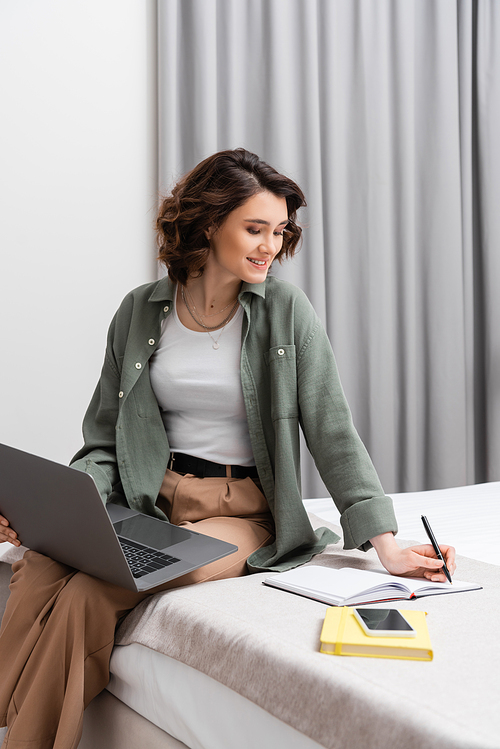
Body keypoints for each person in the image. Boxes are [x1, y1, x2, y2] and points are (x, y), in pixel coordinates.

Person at [0, 148, 456, 749]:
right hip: (151, 500)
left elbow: (332, 430)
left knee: (89, 591)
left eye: (280, 231)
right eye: (255, 228)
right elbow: (105, 438)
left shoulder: (285, 313)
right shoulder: (140, 310)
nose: (272, 245)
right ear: (210, 223)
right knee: (42, 564)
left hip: (240, 513)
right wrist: (55, 515)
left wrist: (387, 546)